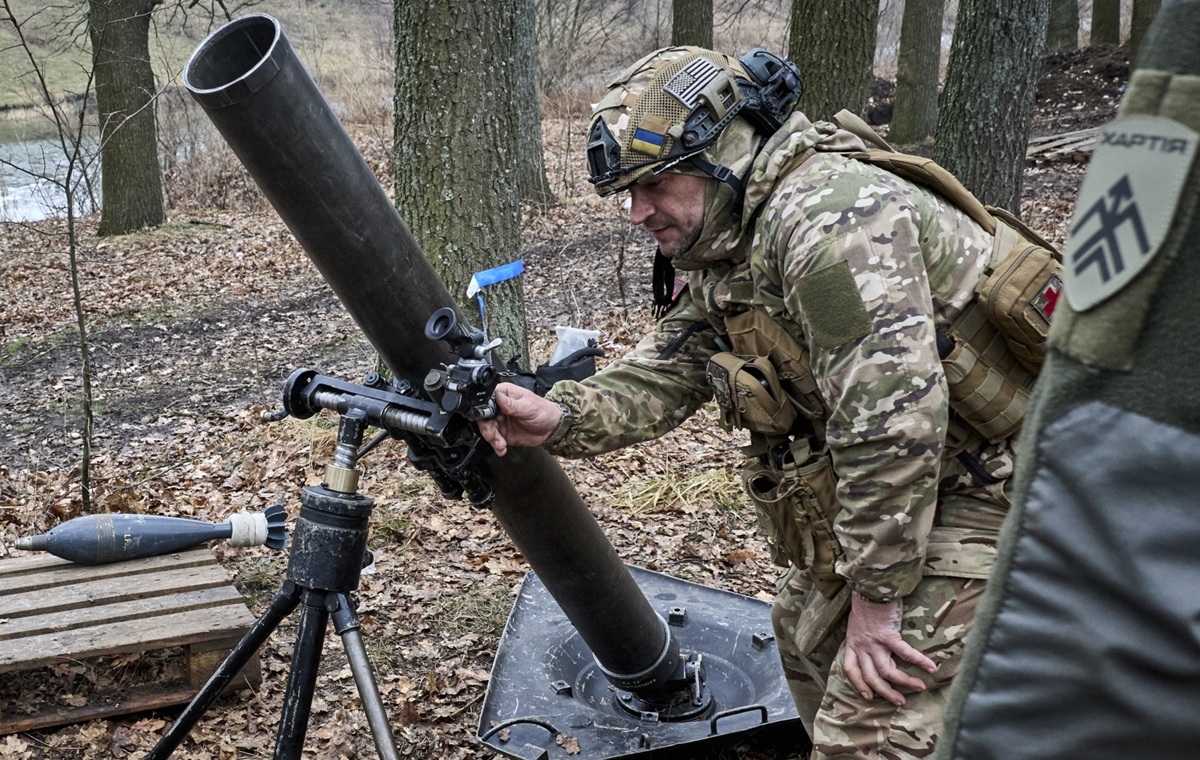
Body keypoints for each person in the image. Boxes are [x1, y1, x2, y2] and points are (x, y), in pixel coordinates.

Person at [478, 45, 1045, 760]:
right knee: (802, 637)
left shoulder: (830, 226)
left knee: (870, 730)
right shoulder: (734, 233)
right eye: (628, 191)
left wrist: (878, 599)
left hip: (1004, 484)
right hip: (921, 490)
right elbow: (675, 364)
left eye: (655, 183)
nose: (637, 212)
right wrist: (562, 416)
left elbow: (889, 422)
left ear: (726, 152)